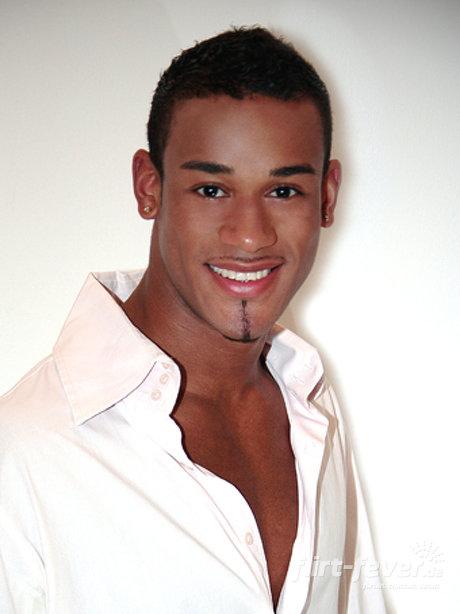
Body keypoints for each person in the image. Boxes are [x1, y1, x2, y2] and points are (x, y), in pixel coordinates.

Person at [0, 27, 386, 614]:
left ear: (327, 197)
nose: (251, 235)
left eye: (284, 191)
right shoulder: (21, 453)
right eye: (211, 189)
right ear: (149, 187)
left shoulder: (312, 402)